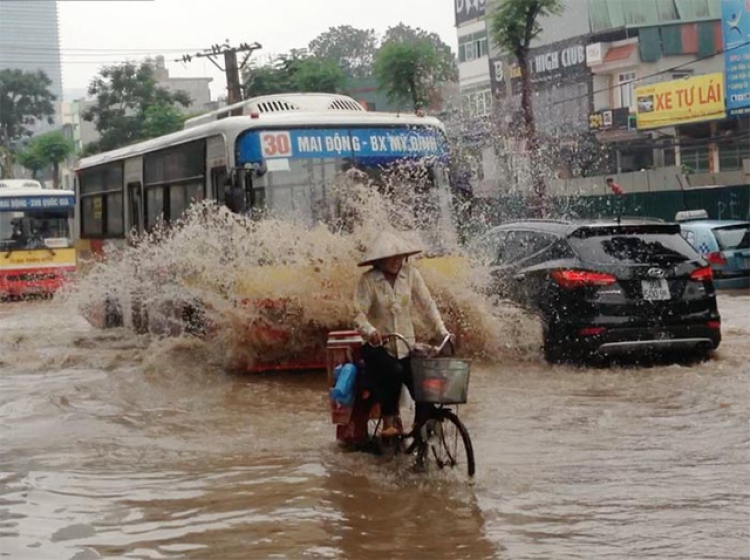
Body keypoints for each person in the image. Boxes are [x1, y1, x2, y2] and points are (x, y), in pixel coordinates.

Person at [353, 231, 452, 437]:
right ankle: (389, 420)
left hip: (406, 345)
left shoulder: (412, 275)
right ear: (380, 260)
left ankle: (420, 425)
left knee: (425, 381)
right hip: (378, 348)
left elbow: (427, 306)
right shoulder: (368, 281)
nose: (397, 261)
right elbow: (357, 315)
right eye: (392, 257)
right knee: (394, 371)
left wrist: (442, 332)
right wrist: (370, 332)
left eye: (400, 256)